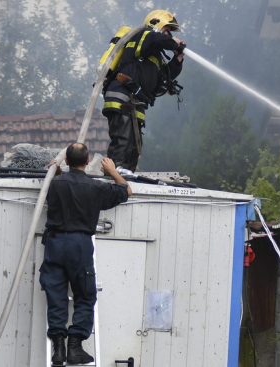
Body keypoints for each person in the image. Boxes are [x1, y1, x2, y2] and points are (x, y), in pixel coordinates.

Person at [40, 143, 132, 365]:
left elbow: (58, 186)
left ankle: (58, 350)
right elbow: (126, 190)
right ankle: (75, 346)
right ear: (88, 161)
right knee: (85, 294)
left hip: (54, 243)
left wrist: (57, 172)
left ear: (67, 161)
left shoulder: (53, 183)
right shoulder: (96, 187)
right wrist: (112, 171)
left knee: (56, 296)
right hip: (79, 245)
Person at [102, 9, 186, 171]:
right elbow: (156, 38)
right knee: (122, 139)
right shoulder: (143, 35)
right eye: (167, 30)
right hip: (122, 95)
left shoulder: (154, 57)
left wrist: (177, 59)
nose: (168, 35)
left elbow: (164, 80)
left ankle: (126, 176)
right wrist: (174, 42)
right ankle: (114, 175)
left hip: (136, 103)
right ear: (157, 23)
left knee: (134, 147)